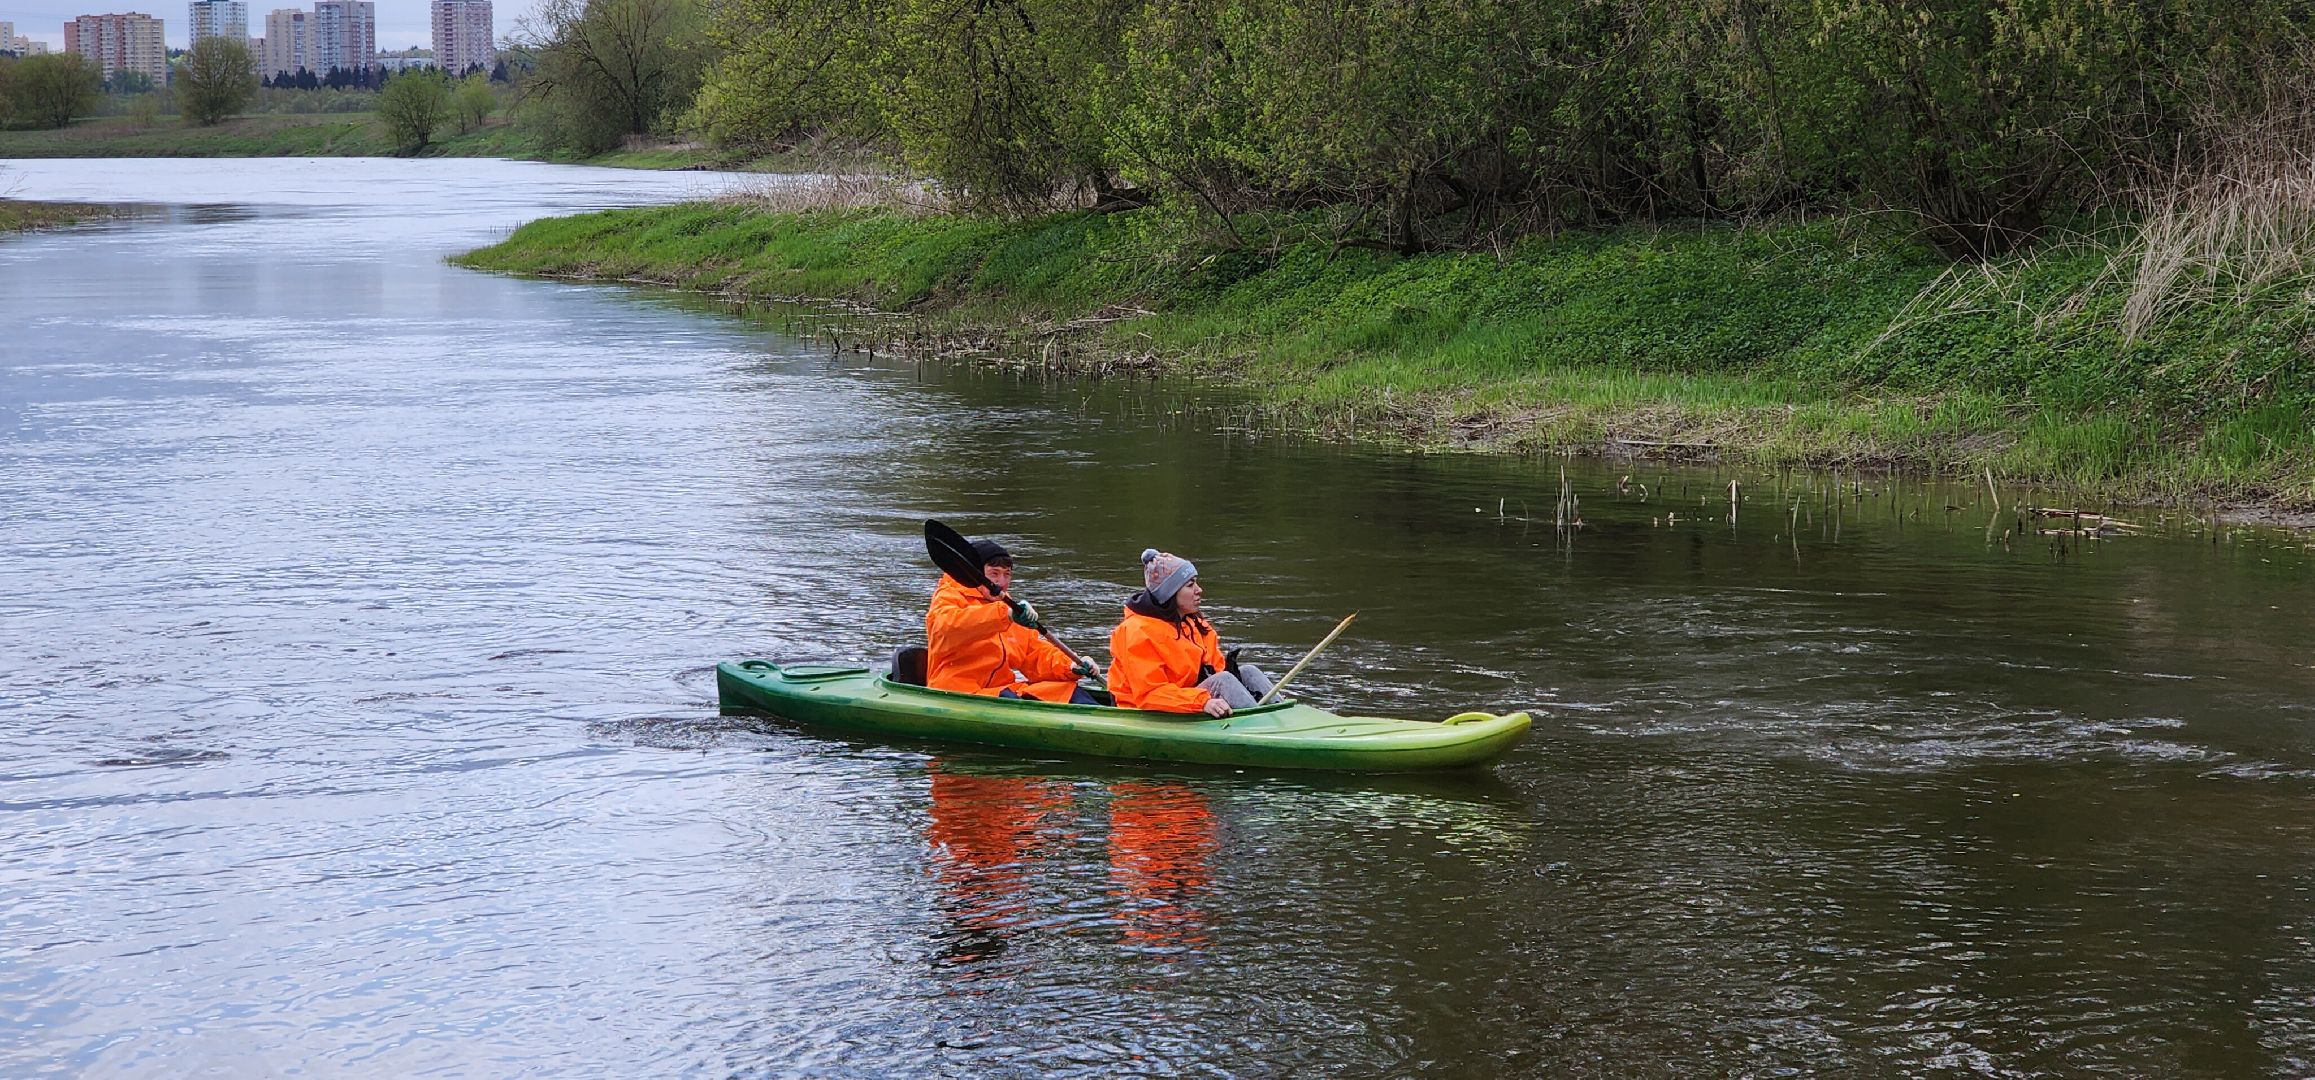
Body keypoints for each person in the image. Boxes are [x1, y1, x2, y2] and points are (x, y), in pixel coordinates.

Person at [926, 538, 1101, 704]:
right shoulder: (948, 598)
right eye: (994, 574)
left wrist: (1070, 666)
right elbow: (948, 628)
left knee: (1068, 690)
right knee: (1009, 698)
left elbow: (1033, 655)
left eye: (1007, 575)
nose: (1001, 582)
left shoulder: (1009, 608)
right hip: (956, 692)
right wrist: (1005, 614)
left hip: (1000, 690)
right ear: (975, 574)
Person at [1107, 548, 1274, 716]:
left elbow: (1214, 669)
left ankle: (1281, 716)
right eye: (1190, 585)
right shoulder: (1137, 631)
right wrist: (1202, 702)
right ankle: (1262, 728)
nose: (1199, 590)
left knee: (1248, 672)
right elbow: (1150, 694)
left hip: (1184, 697)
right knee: (1224, 682)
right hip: (1143, 708)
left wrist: (1230, 671)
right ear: (1170, 593)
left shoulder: (1194, 623)